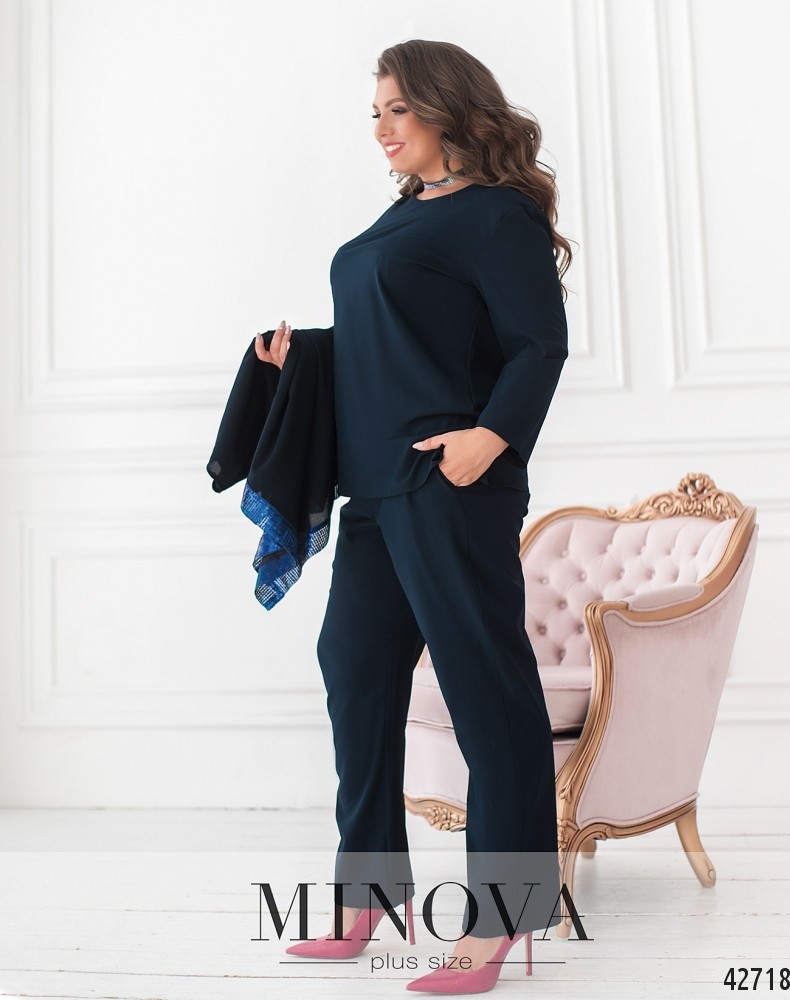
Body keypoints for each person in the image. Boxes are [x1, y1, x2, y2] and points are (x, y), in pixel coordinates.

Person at [256, 39, 573, 995]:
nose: (383, 128)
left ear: (447, 107)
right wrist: (305, 356)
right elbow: (388, 338)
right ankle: (369, 897)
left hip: (449, 484)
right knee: (352, 669)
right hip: (375, 485)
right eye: (376, 113)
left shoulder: (497, 215)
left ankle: (503, 918)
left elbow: (537, 344)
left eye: (398, 109)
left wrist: (490, 438)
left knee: (485, 688)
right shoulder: (404, 216)